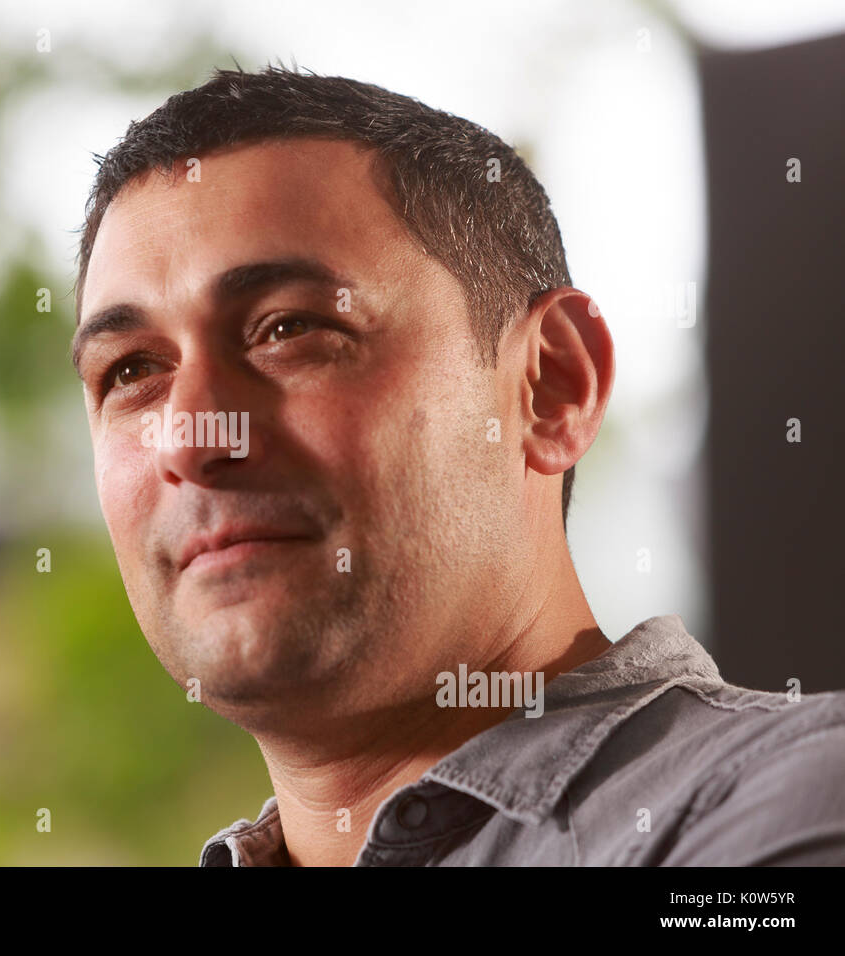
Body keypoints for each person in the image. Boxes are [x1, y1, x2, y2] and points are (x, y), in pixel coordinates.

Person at [68, 65, 845, 866]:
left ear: (552, 385)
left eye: (288, 327)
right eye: (129, 371)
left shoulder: (794, 806)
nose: (192, 438)